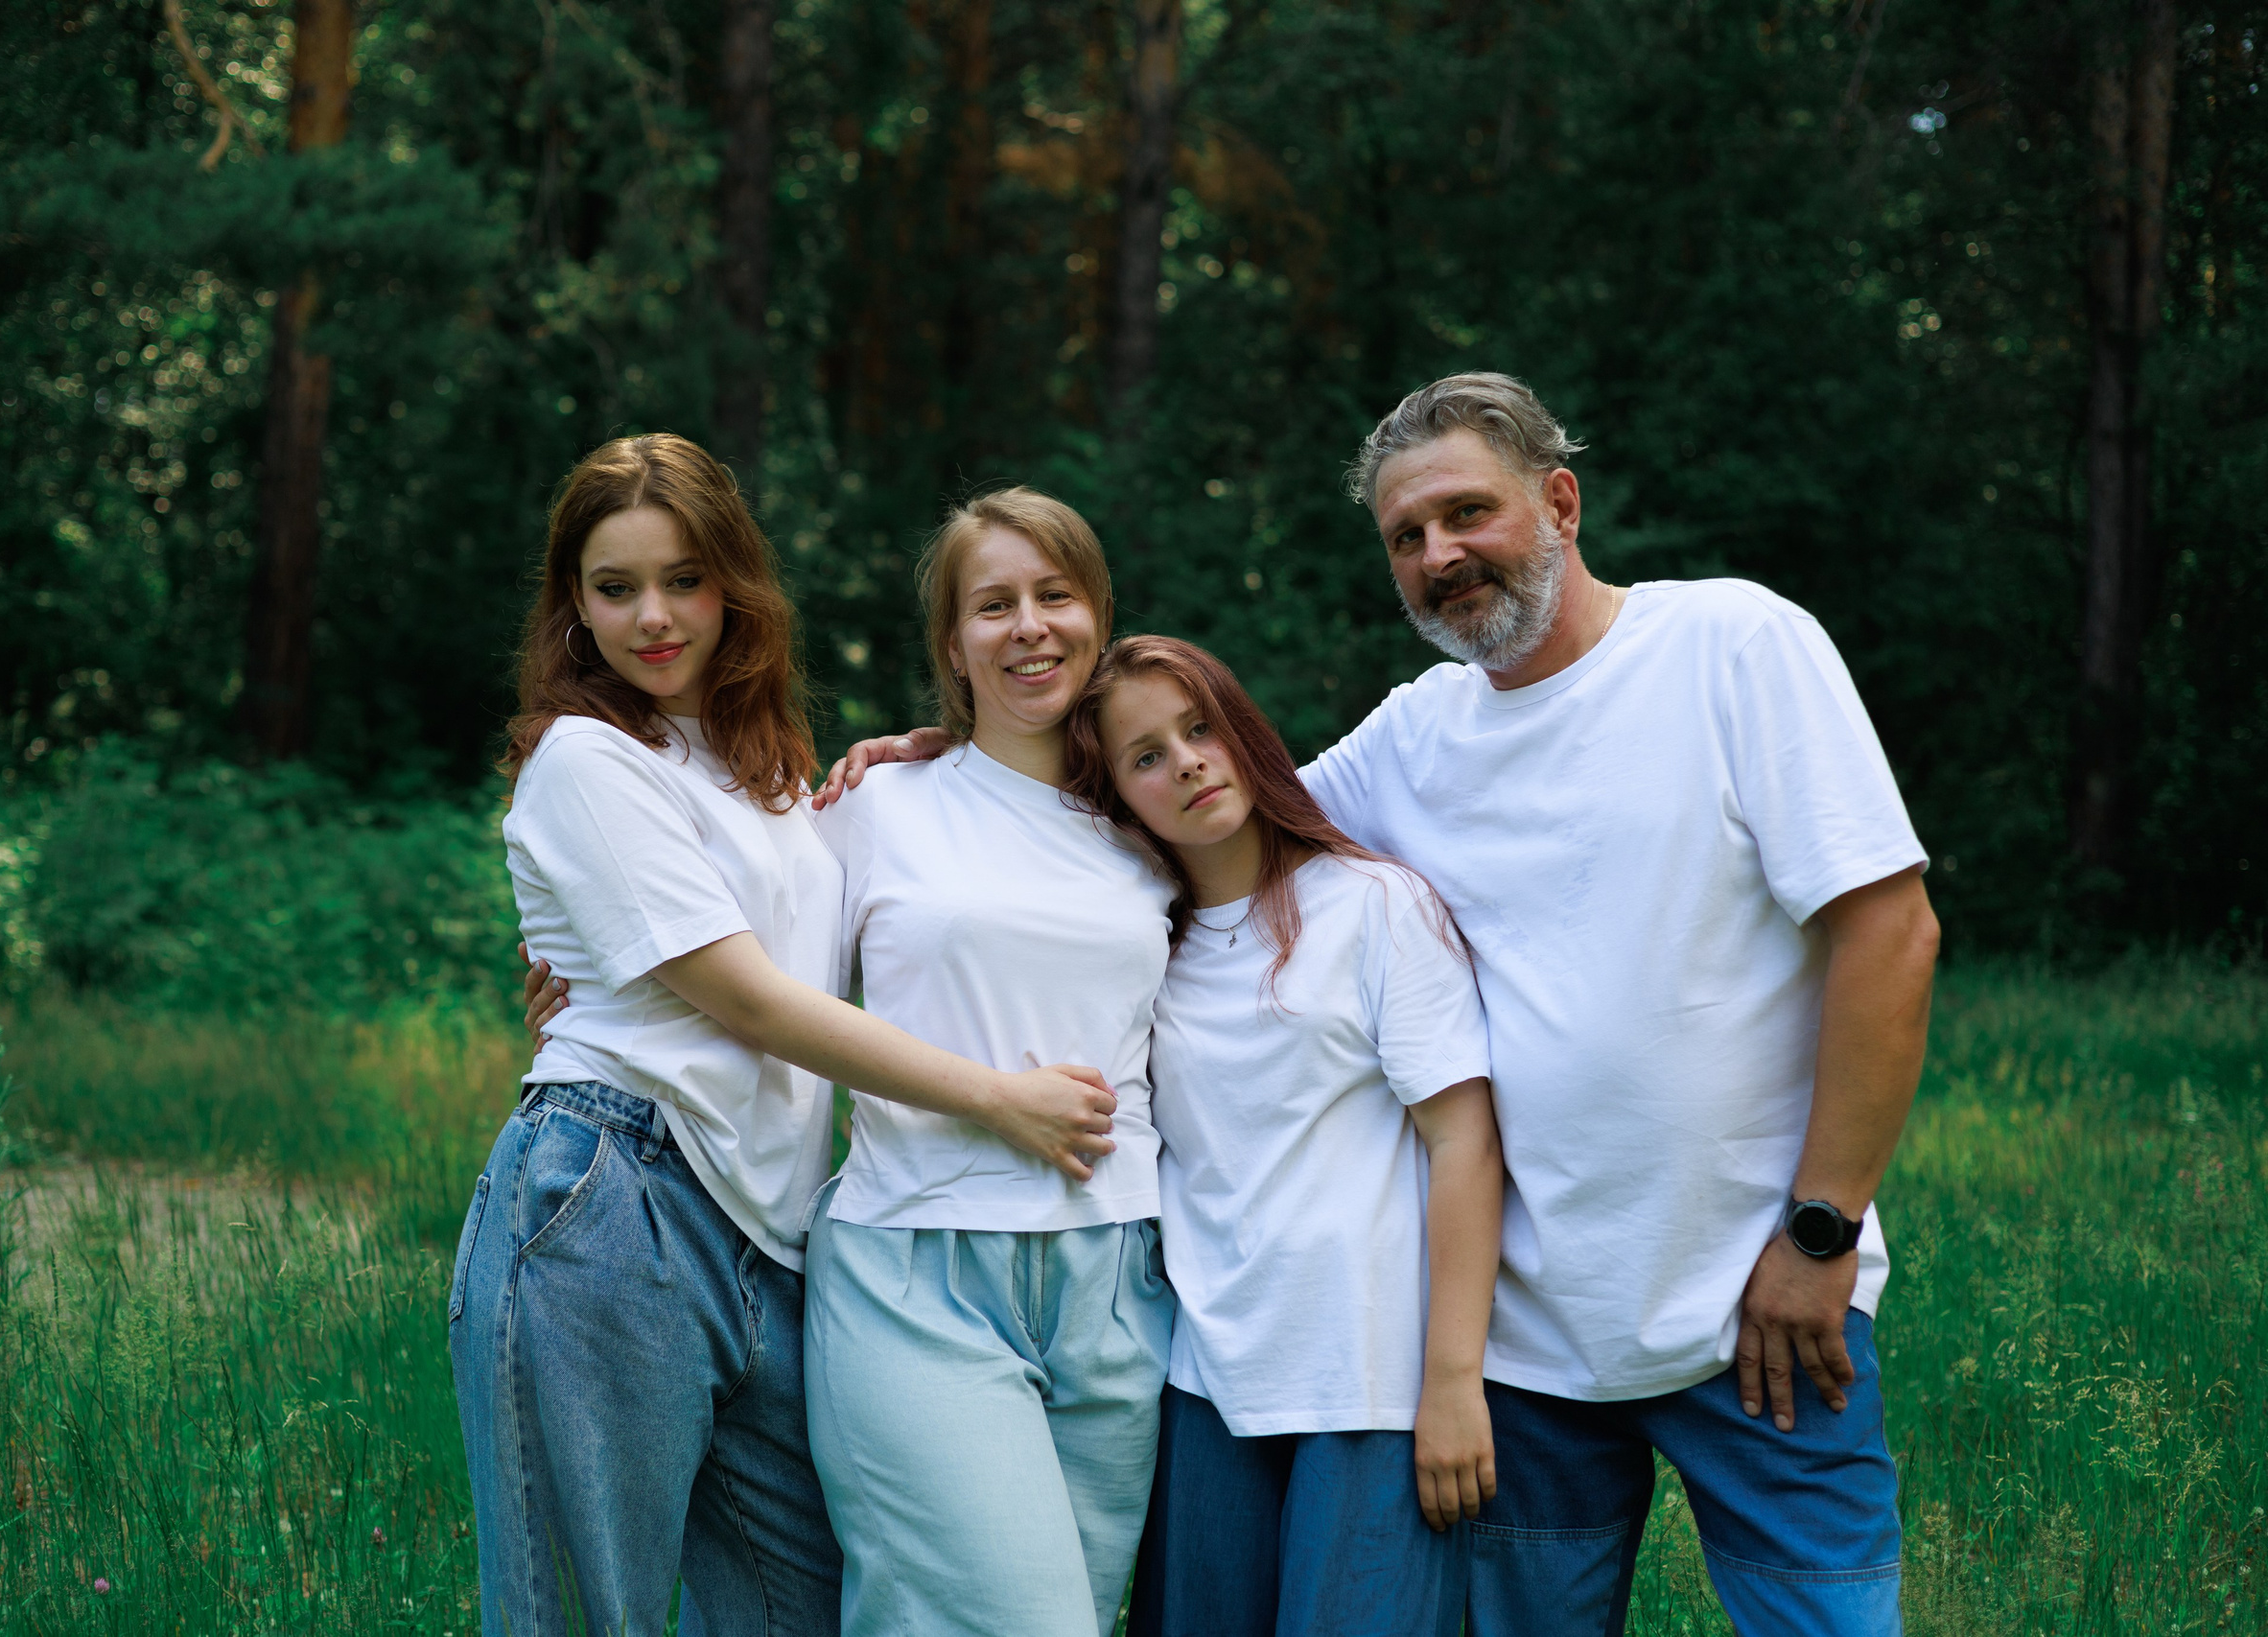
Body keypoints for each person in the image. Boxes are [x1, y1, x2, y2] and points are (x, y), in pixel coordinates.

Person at [821, 374, 1941, 1637]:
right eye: (1406, 535)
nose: (1438, 554)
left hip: (1758, 1301)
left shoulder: (1732, 644)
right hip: (1529, 1350)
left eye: (1467, 513)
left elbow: (1892, 933)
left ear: (1560, 502)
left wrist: (1818, 1232)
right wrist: (959, 762)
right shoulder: (1416, 737)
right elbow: (1208, 807)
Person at [455, 437, 1126, 1637]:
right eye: (615, 588)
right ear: (573, 608)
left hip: (770, 1232)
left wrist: (943, 758)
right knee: (591, 1614)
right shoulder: (586, 758)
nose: (654, 617)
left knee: (802, 1606)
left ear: (733, 587)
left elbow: (859, 912)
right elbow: (753, 1000)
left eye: (684, 580)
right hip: (613, 1197)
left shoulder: (754, 768)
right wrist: (996, 1098)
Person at [1063, 635, 1502, 1637]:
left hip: (1372, 1384)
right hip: (1204, 1383)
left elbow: (1465, 1147)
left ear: (1242, 730)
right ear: (1118, 796)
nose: (1186, 763)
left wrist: (1452, 1383)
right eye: (1145, 756)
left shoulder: (1373, 904)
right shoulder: (1139, 947)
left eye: (1199, 728)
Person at [803, 488, 1178, 1637]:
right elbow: (751, 995)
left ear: (1097, 616)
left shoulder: (1156, 817)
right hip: (920, 1265)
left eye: (1054, 595)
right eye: (992, 604)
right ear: (952, 645)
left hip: (1119, 1281)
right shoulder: (875, 806)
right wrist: (576, 986)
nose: (1028, 627)